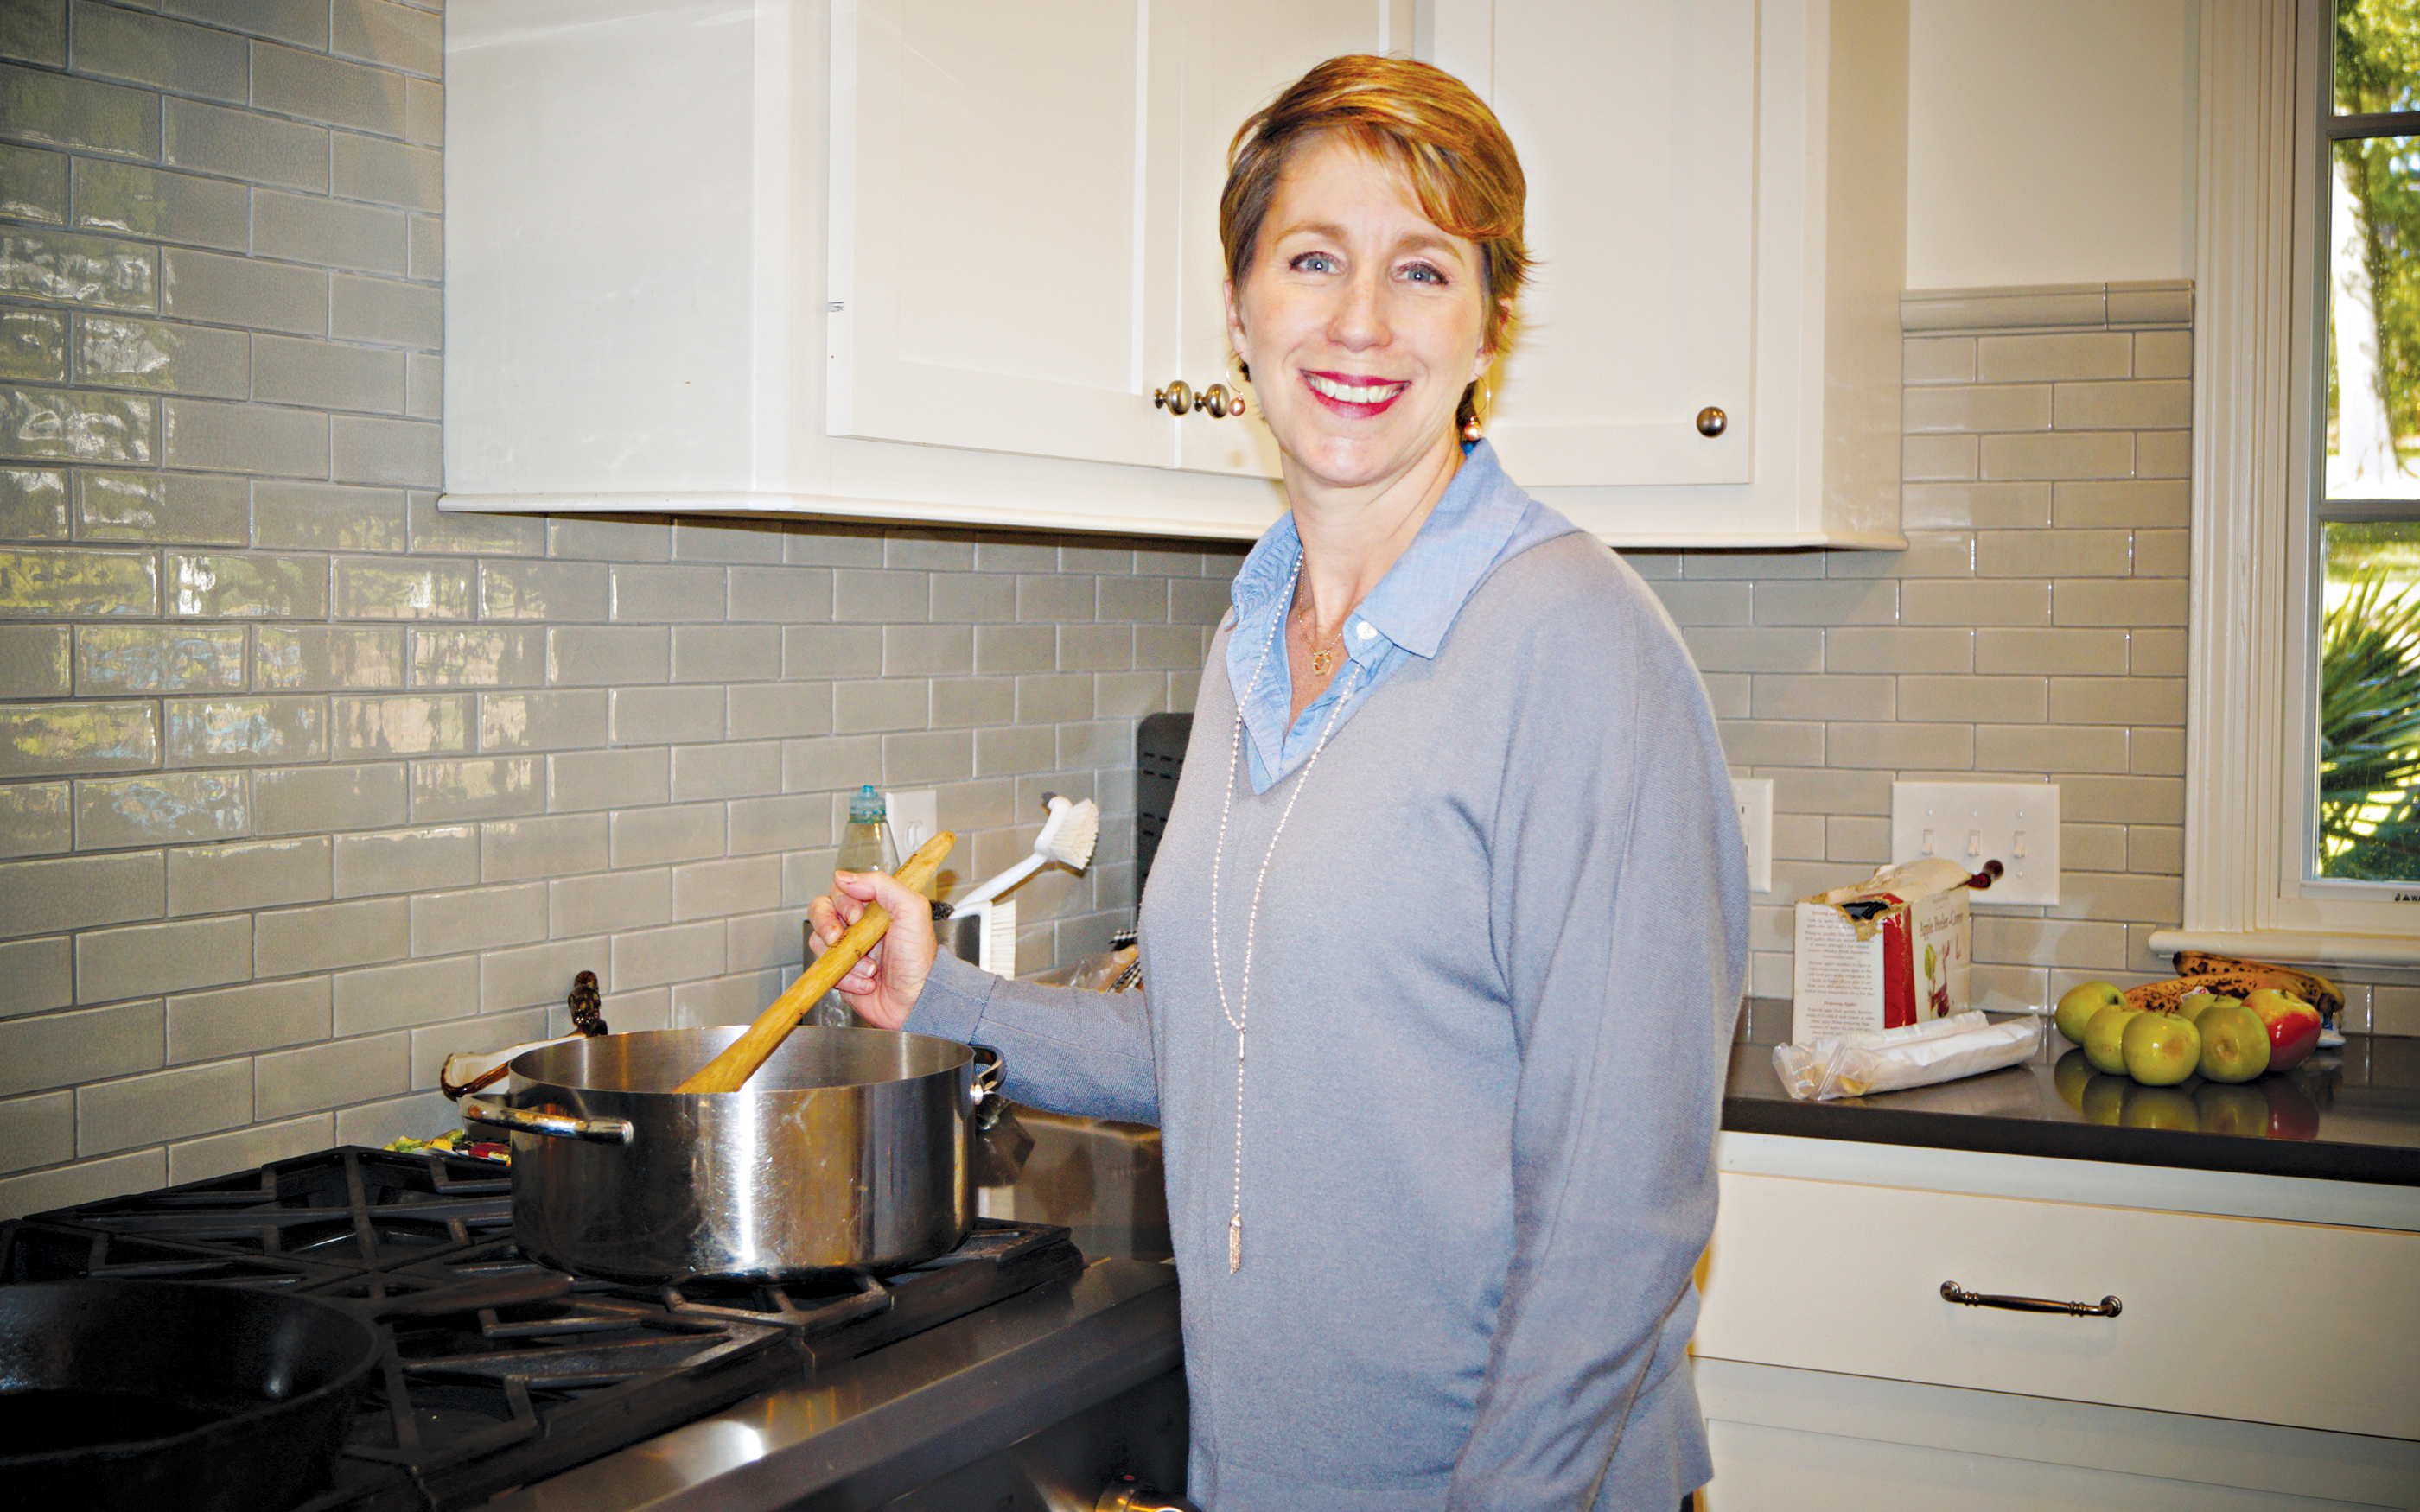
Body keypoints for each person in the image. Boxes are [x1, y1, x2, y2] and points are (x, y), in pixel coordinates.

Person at [810, 54, 1748, 1512]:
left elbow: (1619, 1203)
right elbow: (1236, 1037)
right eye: (1313, 259)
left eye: (1422, 269)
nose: (1360, 320)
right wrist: (946, 998)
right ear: (1241, 311)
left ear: (1490, 325)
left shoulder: (1577, 646)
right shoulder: (1256, 633)